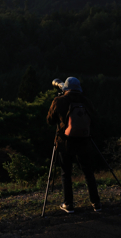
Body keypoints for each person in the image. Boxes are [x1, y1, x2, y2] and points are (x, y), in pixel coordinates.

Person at [46, 76, 101, 214]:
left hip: (65, 143)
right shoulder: (85, 101)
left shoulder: (59, 101)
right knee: (88, 172)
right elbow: (95, 119)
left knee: (66, 173)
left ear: (65, 88)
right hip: (84, 141)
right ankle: (96, 203)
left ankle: (68, 204)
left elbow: (50, 120)